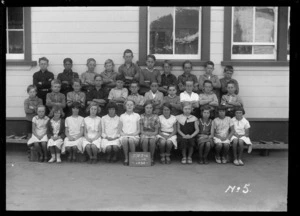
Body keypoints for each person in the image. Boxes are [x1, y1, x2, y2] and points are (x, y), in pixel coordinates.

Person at [119, 100, 141, 166]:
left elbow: (139, 129)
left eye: (131, 105)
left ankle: (133, 159)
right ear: (125, 106)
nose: (129, 106)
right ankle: (126, 158)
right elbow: (120, 130)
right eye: (127, 105)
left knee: (131, 140)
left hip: (134, 136)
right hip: (124, 135)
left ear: (134, 106)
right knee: (125, 140)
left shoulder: (137, 116)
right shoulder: (122, 116)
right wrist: (124, 135)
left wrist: (133, 134)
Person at [140, 101, 160, 166]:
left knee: (152, 140)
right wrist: (146, 133)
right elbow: (141, 130)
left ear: (152, 109)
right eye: (147, 108)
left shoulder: (156, 117)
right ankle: (145, 158)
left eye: (150, 108)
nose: (149, 109)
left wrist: (152, 134)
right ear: (144, 108)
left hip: (153, 133)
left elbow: (157, 131)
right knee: (145, 140)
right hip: (144, 133)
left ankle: (151, 158)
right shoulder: (141, 116)